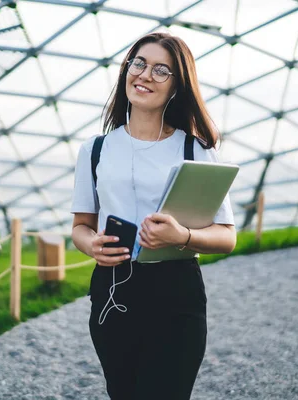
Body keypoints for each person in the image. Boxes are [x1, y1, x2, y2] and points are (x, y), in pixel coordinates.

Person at [71, 32, 237, 400]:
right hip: (114, 289)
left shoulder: (195, 149)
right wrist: (92, 246)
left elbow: (226, 237)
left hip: (177, 292)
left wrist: (183, 237)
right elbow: (80, 227)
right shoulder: (96, 150)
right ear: (126, 70)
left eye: (162, 70)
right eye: (139, 63)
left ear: (178, 87)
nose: (145, 75)